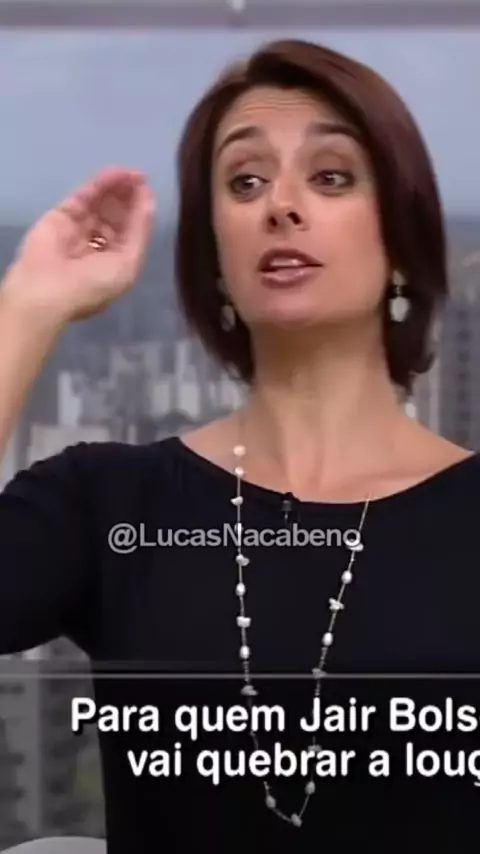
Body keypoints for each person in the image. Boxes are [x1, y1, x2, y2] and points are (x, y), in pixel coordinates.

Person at [0, 37, 478, 852]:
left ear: (400, 235)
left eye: (331, 176)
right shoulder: (110, 502)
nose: (280, 206)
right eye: (245, 181)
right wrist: (29, 305)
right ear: (217, 258)